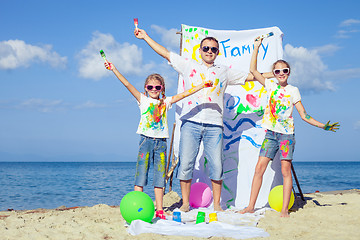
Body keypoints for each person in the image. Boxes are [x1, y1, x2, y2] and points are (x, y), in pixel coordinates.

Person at [134, 28, 274, 212]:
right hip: (190, 123)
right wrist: (145, 37)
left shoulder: (224, 71)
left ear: (217, 52)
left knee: (217, 165)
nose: (209, 51)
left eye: (213, 49)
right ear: (200, 51)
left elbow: (251, 76)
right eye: (206, 48)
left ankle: (217, 205)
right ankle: (185, 203)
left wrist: (277, 74)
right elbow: (165, 53)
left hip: (214, 125)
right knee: (185, 165)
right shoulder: (189, 65)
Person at [239, 36, 340, 217]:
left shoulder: (293, 91)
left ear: (289, 72)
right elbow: (253, 70)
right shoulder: (270, 85)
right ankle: (250, 207)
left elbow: (303, 115)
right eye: (277, 71)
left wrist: (322, 126)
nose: (281, 73)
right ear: (274, 74)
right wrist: (256, 47)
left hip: (286, 136)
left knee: (286, 171)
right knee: (258, 169)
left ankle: (284, 209)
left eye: (284, 70)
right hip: (271, 134)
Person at [104, 61, 213, 219]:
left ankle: (160, 209)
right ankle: (138, 206)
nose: (154, 90)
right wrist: (114, 68)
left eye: (157, 87)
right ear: (145, 89)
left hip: (161, 143)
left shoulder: (166, 102)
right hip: (145, 141)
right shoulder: (142, 100)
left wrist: (202, 86)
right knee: (141, 174)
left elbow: (185, 94)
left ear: (162, 89)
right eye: (150, 87)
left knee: (159, 177)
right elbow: (127, 83)